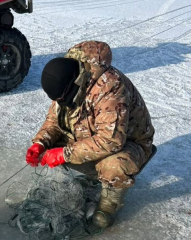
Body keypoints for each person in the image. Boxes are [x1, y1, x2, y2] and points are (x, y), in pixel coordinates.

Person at [25, 41, 155, 229]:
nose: (59, 102)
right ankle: (83, 177)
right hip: (90, 131)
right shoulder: (69, 81)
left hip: (129, 141)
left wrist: (64, 154)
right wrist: (40, 143)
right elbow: (55, 120)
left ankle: (109, 204)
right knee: (51, 148)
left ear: (73, 85)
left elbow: (111, 141)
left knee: (114, 165)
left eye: (60, 99)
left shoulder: (110, 88)